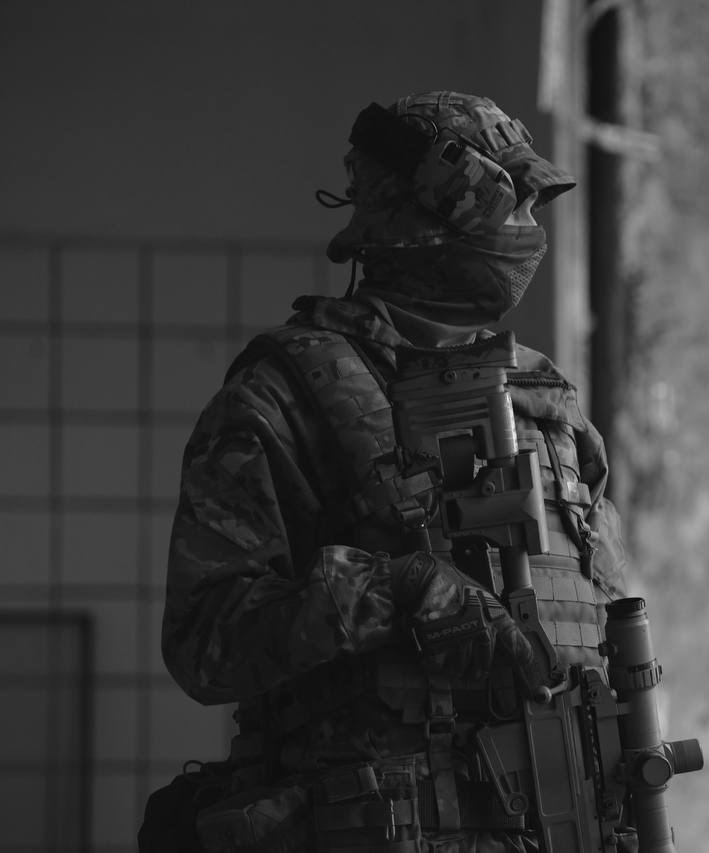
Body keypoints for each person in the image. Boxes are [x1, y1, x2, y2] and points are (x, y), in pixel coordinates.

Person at [155, 91, 630, 853]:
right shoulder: (288, 393)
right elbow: (205, 642)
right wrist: (399, 590)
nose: (528, 229)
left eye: (533, 206)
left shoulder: (548, 400)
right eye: (510, 202)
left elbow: (598, 628)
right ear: (423, 210)